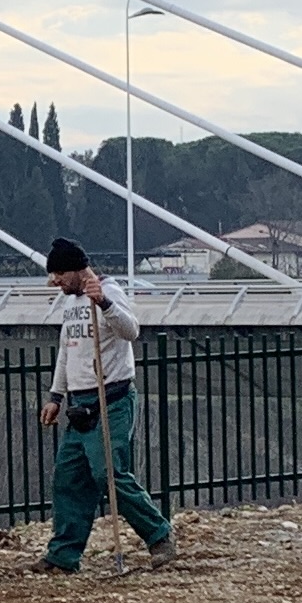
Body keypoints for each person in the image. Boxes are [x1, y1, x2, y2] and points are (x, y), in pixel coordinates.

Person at [38, 237, 174, 573]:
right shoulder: (70, 303)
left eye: (58, 273)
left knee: (109, 474)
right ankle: (63, 555)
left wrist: (104, 305)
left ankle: (159, 536)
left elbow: (131, 331)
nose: (53, 281)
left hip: (110, 399)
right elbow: (66, 350)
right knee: (68, 478)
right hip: (80, 402)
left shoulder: (108, 292)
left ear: (77, 269)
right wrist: (56, 395)